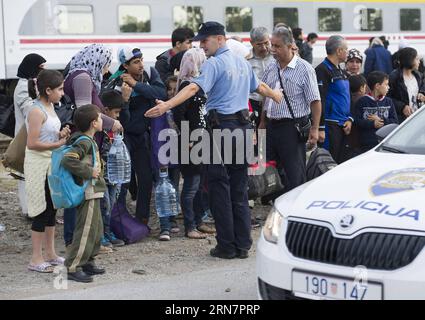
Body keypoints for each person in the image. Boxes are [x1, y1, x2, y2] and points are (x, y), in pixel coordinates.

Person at [145, 21, 282, 259]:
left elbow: (191, 90)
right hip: (242, 128)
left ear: (220, 39)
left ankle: (226, 246)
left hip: (220, 130)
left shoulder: (214, 64)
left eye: (204, 40)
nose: (201, 45)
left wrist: (166, 104)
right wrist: (275, 95)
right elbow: (258, 86)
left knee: (219, 188)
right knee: (239, 189)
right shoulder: (242, 62)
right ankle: (242, 244)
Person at [63, 44, 122, 248]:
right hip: (84, 142)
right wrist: (111, 122)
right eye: (106, 64)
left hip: (88, 140)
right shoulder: (82, 77)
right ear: (98, 60)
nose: (107, 70)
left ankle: (84, 238)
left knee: (83, 190)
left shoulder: (82, 75)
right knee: (79, 190)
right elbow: (85, 112)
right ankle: (74, 239)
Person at [260, 26, 321, 194]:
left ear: (289, 46)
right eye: (272, 45)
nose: (272, 50)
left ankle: (295, 207)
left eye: (277, 46)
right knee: (270, 172)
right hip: (272, 127)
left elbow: (315, 101)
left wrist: (315, 128)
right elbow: (265, 94)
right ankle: (276, 207)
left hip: (292, 128)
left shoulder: (304, 69)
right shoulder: (272, 67)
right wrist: (262, 122)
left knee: (295, 174)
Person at [113, 46, 167, 225]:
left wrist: (137, 85)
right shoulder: (117, 84)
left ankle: (142, 218)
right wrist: (126, 99)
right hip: (125, 137)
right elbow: (122, 118)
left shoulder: (149, 75)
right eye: (136, 62)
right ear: (125, 66)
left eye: (141, 60)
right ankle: (119, 219)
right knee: (123, 180)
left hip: (143, 136)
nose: (141, 65)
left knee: (145, 178)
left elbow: (161, 93)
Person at [25, 70, 71, 273]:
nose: (62, 93)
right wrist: (59, 143)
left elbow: (47, 134)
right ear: (48, 90)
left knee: (52, 209)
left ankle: (50, 253)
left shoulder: (50, 105)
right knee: (41, 211)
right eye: (60, 89)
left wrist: (59, 134)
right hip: (38, 165)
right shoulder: (36, 110)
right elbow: (32, 143)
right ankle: (36, 258)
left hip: (51, 163)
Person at [172, 48, 215, 239]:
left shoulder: (197, 84)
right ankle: (190, 226)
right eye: (201, 60)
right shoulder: (185, 86)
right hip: (191, 141)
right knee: (191, 185)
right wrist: (188, 138)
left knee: (198, 184)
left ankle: (199, 221)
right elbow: (177, 113)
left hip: (201, 137)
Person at [63, 104, 107, 283]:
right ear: (93, 123)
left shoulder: (89, 140)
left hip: (94, 191)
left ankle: (88, 260)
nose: (103, 120)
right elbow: (68, 160)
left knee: (96, 229)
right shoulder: (83, 141)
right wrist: (89, 172)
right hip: (88, 190)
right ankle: (73, 266)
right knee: (86, 229)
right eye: (100, 118)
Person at [98, 88, 132, 249]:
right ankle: (101, 236)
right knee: (103, 206)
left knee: (110, 206)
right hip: (103, 174)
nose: (118, 116)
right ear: (105, 111)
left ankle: (107, 232)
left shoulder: (116, 129)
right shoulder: (100, 129)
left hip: (115, 174)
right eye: (116, 112)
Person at [14, 53, 46, 218]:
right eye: (41, 68)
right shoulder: (22, 87)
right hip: (26, 136)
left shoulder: (30, 83)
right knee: (25, 174)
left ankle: (35, 208)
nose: (43, 71)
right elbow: (30, 110)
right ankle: (28, 210)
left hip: (34, 135)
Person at [316, 35, 352, 164]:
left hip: (343, 125)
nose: (347, 52)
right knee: (328, 164)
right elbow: (319, 99)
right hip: (329, 126)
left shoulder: (341, 71)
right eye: (346, 49)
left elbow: (347, 97)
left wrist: (349, 119)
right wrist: (320, 127)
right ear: (339, 51)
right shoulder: (322, 70)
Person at [354, 71, 398, 152]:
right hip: (367, 143)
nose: (388, 87)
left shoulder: (388, 101)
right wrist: (372, 123)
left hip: (386, 142)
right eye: (386, 84)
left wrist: (381, 120)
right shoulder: (362, 101)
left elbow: (395, 121)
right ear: (377, 86)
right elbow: (356, 121)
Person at [387, 47, 425, 123]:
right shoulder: (394, 77)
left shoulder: (419, 76)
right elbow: (387, 98)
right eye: (416, 59)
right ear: (409, 60)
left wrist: (422, 94)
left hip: (418, 118)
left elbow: (423, 89)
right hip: (401, 121)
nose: (419, 62)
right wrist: (402, 107)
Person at [248, 27, 274, 128]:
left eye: (266, 43)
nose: (263, 47)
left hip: (272, 102)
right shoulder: (246, 60)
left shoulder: (276, 56)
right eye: (259, 44)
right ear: (251, 43)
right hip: (253, 104)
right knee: (256, 137)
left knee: (270, 136)